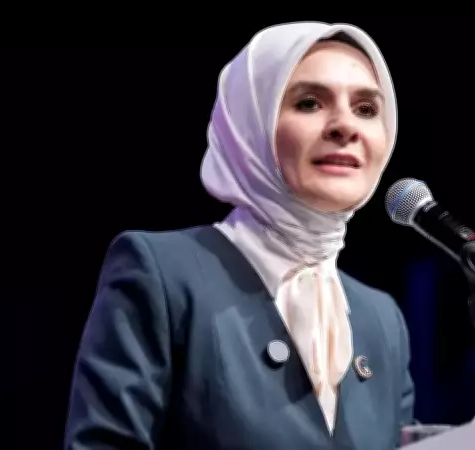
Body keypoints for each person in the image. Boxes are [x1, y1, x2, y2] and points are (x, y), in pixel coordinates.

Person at [63, 22, 415, 450]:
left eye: (366, 109)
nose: (346, 126)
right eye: (309, 103)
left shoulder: (382, 318)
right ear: (250, 125)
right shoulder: (162, 274)